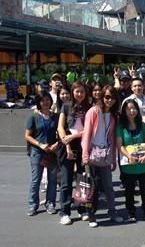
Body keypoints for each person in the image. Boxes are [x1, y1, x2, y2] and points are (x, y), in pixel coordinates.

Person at [81, 85, 124, 227]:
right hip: (92, 154)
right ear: (101, 97)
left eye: (112, 97)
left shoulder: (112, 116)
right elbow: (86, 135)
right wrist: (85, 155)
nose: (109, 100)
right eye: (106, 97)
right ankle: (91, 215)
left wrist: (113, 158)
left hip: (105, 154)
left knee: (108, 186)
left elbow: (111, 138)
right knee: (91, 187)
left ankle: (112, 212)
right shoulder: (93, 112)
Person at [57, 80, 91, 226]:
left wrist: (74, 136)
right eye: (77, 91)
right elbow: (60, 127)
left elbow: (89, 130)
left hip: (83, 145)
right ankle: (64, 212)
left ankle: (82, 208)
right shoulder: (66, 106)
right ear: (72, 92)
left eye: (82, 91)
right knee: (66, 181)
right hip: (66, 146)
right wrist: (67, 144)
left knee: (82, 180)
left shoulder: (90, 108)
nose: (79, 94)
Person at [117, 99, 145, 222]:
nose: (131, 111)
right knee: (129, 190)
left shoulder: (143, 126)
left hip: (143, 163)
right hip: (129, 164)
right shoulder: (120, 127)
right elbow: (120, 145)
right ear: (124, 111)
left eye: (134, 108)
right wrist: (129, 156)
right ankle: (131, 211)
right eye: (128, 109)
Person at [24, 91, 59, 216]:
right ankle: (33, 204)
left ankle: (50, 203)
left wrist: (57, 144)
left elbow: (61, 133)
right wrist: (40, 144)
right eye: (43, 100)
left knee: (53, 180)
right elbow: (27, 136)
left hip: (52, 152)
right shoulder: (33, 117)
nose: (45, 102)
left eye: (47, 99)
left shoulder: (56, 117)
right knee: (36, 180)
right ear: (39, 102)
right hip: (37, 152)